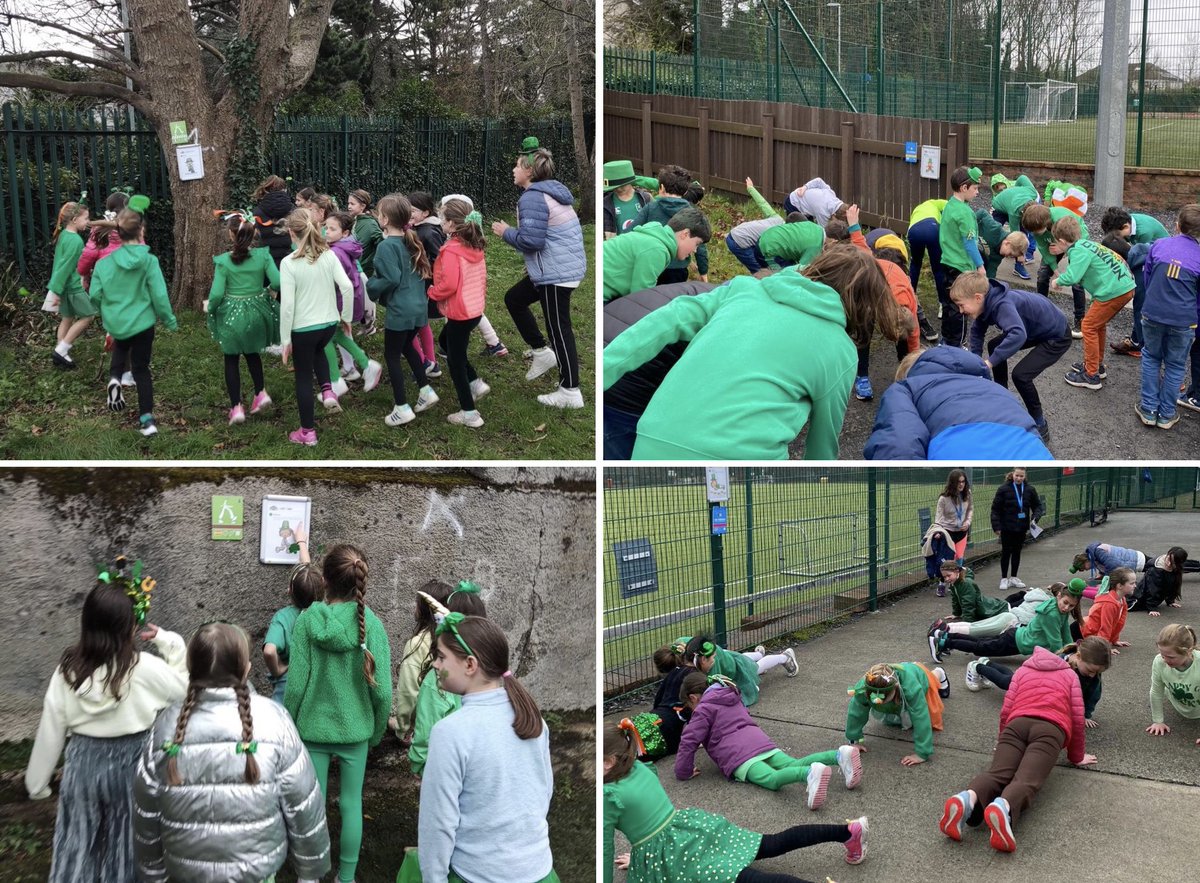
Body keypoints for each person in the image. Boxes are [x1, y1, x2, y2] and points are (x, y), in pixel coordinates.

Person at [603, 245, 902, 459]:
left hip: (654, 440)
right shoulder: (840, 351)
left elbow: (669, 318)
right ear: (864, 306)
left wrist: (605, 368)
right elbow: (822, 445)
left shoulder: (744, 288)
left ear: (816, 269)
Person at [133, 622, 331, 883]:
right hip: (257, 873)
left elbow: (146, 811)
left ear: (191, 668)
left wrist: (153, 874)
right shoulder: (274, 719)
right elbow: (303, 802)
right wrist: (310, 872)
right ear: (246, 668)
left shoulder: (165, 727)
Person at [24, 568, 187, 883]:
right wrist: (171, 644)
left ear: (87, 622)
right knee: (129, 845)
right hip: (132, 766)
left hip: (82, 765)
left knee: (78, 842)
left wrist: (37, 783)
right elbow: (184, 688)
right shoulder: (144, 669)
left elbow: (52, 725)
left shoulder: (67, 671)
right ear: (129, 626)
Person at [605, 722, 868, 883]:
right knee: (771, 843)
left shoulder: (608, 796)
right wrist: (642, 856)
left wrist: (646, 852)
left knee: (747, 879)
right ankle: (848, 831)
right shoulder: (639, 768)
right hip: (692, 829)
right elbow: (645, 815)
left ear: (611, 761)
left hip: (676, 855)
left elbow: (604, 853)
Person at [417, 615, 559, 882]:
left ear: (470, 664)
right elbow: (543, 793)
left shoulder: (450, 732)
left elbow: (437, 825)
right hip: (541, 871)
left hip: (478, 875)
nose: (435, 664)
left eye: (442, 657)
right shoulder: (532, 718)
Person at [284, 543, 393, 883]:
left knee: (309, 809)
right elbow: (384, 691)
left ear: (324, 581)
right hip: (355, 732)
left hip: (312, 731)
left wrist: (289, 725)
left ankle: (308, 875)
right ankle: (346, 878)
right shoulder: (371, 624)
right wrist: (375, 731)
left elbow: (296, 685)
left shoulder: (306, 621)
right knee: (350, 805)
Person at [938, 645, 1095, 853]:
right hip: (1050, 729)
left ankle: (967, 798)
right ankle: (1004, 807)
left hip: (1016, 724)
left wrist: (1003, 738)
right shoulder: (1070, 676)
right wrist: (1076, 756)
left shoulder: (1023, 670)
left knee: (997, 773)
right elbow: (1076, 719)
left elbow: (1006, 709)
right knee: (1026, 780)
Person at [675, 672, 862, 808]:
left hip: (738, 756)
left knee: (772, 779)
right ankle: (838, 755)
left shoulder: (703, 708)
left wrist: (684, 771)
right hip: (759, 741)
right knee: (792, 762)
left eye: (689, 705)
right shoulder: (730, 694)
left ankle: (808, 774)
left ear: (693, 698)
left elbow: (689, 741)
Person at [495, 147, 587, 409]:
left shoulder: (533, 198)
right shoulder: (550, 190)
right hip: (557, 268)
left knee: (560, 330)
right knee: (514, 298)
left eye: (516, 166)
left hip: (555, 275)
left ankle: (570, 391)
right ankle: (541, 352)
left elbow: (531, 241)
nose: (513, 170)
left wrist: (505, 232)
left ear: (528, 170)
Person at [864, 347, 1053, 460]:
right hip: (1033, 451)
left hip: (958, 444)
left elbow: (900, 444)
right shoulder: (996, 388)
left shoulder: (907, 387)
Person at [89, 199, 177, 437]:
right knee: (141, 369)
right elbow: (159, 294)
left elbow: (95, 294)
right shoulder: (149, 261)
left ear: (117, 231)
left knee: (120, 348)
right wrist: (168, 319)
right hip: (143, 322)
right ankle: (147, 420)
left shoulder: (104, 263)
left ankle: (115, 379)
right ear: (141, 231)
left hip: (117, 320)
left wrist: (106, 309)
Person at [954, 270, 1070, 442]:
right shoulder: (985, 303)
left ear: (978, 297)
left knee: (1021, 375)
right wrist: (976, 363)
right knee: (994, 345)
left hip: (1056, 335)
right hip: (1034, 328)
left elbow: (1017, 334)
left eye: (962, 305)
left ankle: (1040, 423)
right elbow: (977, 332)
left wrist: (990, 362)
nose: (960, 310)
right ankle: (1003, 398)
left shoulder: (1002, 305)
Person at [279, 208, 354, 445]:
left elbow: (287, 306)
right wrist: (346, 317)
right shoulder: (329, 255)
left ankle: (307, 432)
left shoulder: (288, 263)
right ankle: (328, 390)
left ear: (291, 233)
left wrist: (284, 340)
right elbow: (348, 287)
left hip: (303, 329)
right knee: (319, 350)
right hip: (328, 325)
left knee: (302, 377)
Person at [368, 193, 440, 427]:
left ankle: (401, 407)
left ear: (386, 219)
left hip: (400, 311)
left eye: (379, 214)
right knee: (408, 346)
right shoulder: (412, 240)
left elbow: (390, 278)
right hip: (418, 308)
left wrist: (370, 285)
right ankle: (426, 390)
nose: (378, 217)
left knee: (392, 356)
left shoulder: (386, 246)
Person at [204, 213, 282, 425]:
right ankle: (260, 393)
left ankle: (236, 407)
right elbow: (276, 281)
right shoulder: (263, 256)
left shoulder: (224, 262)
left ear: (231, 234)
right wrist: (266, 290)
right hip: (257, 310)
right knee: (252, 352)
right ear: (253, 232)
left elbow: (218, 293)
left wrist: (210, 307)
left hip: (232, 314)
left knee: (231, 358)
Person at [408, 581, 487, 776]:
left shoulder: (437, 680)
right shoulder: (493, 673)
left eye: (441, 657)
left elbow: (423, 740)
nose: (437, 664)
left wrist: (421, 767)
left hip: (444, 773)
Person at [1051, 215, 1136, 391]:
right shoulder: (1087, 244)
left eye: (1055, 244)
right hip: (1122, 287)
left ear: (1061, 241)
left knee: (1088, 326)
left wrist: (1057, 281)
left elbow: (1073, 276)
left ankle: (1091, 375)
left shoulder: (1077, 250)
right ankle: (1097, 365)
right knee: (1097, 325)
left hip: (1113, 291)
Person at [428, 198, 492, 428]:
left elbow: (450, 284)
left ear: (452, 225)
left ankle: (470, 413)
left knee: (455, 361)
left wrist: (433, 292)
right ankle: (475, 382)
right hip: (474, 309)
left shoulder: (451, 251)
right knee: (445, 340)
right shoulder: (473, 245)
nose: (440, 222)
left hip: (460, 311)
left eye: (442, 218)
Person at [845, 204, 919, 401]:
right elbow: (862, 249)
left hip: (894, 293)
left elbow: (914, 338)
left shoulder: (908, 302)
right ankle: (861, 377)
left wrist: (913, 368)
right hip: (871, 292)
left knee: (906, 343)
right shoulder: (873, 278)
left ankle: (903, 377)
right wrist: (853, 225)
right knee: (863, 330)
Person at [1135, 206, 1200, 429]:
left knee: (1151, 357)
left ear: (1178, 225)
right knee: (1176, 364)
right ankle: (1167, 414)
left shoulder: (1159, 245)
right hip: (1183, 319)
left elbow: (1147, 276)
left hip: (1153, 312)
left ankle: (1149, 408)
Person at [931, 578, 1083, 664]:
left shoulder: (1058, 610)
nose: (1066, 607)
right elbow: (1055, 641)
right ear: (1058, 596)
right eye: (1065, 602)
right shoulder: (1052, 614)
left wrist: (1072, 650)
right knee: (979, 647)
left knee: (981, 641)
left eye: (1071, 606)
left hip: (1015, 635)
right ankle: (944, 641)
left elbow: (1065, 633)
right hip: (1015, 641)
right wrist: (1066, 660)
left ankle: (946, 637)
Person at [324, 211, 383, 395]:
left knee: (327, 336)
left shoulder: (335, 252)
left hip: (339, 300)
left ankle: (342, 375)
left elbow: (335, 280)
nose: (326, 231)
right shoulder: (345, 246)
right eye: (326, 227)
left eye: (332, 229)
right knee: (337, 335)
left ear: (345, 233)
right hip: (346, 298)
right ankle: (360, 366)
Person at [845, 661, 947, 766]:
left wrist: (922, 753)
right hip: (899, 675)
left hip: (918, 673)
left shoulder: (911, 688)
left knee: (931, 680)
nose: (878, 701)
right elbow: (855, 714)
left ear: (896, 688)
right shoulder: (863, 688)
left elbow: (920, 716)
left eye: (884, 699)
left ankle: (939, 672)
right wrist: (854, 740)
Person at [263, 523, 323, 703]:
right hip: (313, 691)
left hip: (285, 692)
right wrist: (301, 541)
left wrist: (278, 670)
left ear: (289, 591)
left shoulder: (282, 618)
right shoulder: (323, 613)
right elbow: (308, 578)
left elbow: (269, 651)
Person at [1101, 206, 1170, 357]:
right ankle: (1136, 339)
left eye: (1119, 236)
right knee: (1140, 301)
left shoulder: (1144, 233)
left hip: (1158, 263)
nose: (1120, 239)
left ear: (1126, 226)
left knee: (1142, 301)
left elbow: (1141, 256)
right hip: (1148, 260)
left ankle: (1142, 344)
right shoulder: (1126, 222)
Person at [603, 209, 711, 302]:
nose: (695, 250)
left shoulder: (655, 238)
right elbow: (640, 299)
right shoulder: (657, 250)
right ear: (685, 234)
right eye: (696, 244)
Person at [393, 580, 454, 744]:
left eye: (417, 603)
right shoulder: (458, 641)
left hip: (425, 729)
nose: (414, 608)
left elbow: (408, 691)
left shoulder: (417, 645)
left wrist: (402, 727)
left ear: (425, 609)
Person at [630, 163, 709, 284]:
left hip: (652, 264)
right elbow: (700, 246)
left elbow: (631, 232)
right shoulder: (692, 213)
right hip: (678, 269)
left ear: (661, 187)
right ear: (686, 190)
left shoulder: (650, 208)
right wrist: (703, 271)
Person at [1020, 202, 1088, 338]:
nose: (1034, 234)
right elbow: (1045, 251)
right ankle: (1041, 313)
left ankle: (1080, 321)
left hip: (1075, 243)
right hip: (1055, 246)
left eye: (1036, 231)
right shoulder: (1036, 225)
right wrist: (1058, 275)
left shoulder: (1062, 217)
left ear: (1045, 223)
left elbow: (1082, 241)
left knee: (1077, 282)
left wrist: (1064, 249)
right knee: (1043, 275)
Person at [937, 166, 985, 347]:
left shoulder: (950, 205)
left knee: (950, 303)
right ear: (964, 188)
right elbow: (969, 243)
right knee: (961, 307)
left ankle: (946, 340)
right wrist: (980, 265)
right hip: (962, 267)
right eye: (975, 188)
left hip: (947, 262)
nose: (978, 192)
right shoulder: (965, 213)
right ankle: (958, 344)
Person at [46, 201, 96, 370]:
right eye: (86, 218)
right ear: (74, 219)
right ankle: (62, 349)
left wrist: (57, 289)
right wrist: (57, 291)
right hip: (72, 287)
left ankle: (60, 354)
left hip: (63, 287)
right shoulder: (75, 241)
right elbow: (66, 267)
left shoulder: (63, 236)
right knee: (88, 315)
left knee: (67, 318)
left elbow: (59, 265)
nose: (88, 222)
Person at [684, 635, 798, 707]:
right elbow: (682, 640)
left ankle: (785, 657)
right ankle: (759, 654)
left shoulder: (712, 666)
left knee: (756, 668)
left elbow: (715, 690)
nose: (713, 659)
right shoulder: (701, 652)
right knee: (744, 658)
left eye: (714, 657)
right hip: (730, 658)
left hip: (738, 670)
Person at [408, 190, 448, 377]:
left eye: (413, 210)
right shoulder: (419, 228)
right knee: (420, 322)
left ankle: (427, 362)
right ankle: (430, 362)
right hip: (419, 282)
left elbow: (438, 259)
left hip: (423, 283)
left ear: (425, 213)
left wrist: (425, 273)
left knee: (415, 323)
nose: (410, 214)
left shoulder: (428, 232)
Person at [1145, 624, 1200, 742]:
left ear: (1189, 651)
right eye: (1162, 655)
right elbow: (1156, 691)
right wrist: (1158, 721)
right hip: (1177, 702)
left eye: (1170, 657)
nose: (1165, 660)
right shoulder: (1159, 661)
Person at [990, 467, 1043, 590]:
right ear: (1012, 474)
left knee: (1017, 552)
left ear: (1025, 476)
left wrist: (1035, 518)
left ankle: (1014, 577)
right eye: (1017, 475)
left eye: (1021, 476)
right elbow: (995, 509)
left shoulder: (1030, 490)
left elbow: (1037, 506)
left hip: (1022, 527)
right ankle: (1004, 578)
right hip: (1006, 527)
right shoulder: (1003, 489)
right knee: (1006, 552)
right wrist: (996, 526)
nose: (1019, 478)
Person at [907, 197, 949, 340]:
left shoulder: (919, 208)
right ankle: (942, 304)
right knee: (937, 268)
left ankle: (909, 299)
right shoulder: (939, 205)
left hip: (914, 230)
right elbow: (951, 208)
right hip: (932, 228)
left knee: (915, 265)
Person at [724, 176, 786, 272]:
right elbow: (770, 256)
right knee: (761, 272)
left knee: (765, 266)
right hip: (739, 241)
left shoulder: (779, 219)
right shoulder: (778, 237)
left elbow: (763, 204)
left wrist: (751, 188)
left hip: (738, 231)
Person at [1080, 566, 1136, 649]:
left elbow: (1119, 623)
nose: (1135, 585)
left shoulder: (1122, 599)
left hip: (1092, 632)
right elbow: (1105, 627)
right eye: (1131, 583)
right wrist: (1104, 648)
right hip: (1082, 631)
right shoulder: (1109, 604)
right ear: (1120, 586)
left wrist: (1114, 640)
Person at [252, 175, 296, 268]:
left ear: (266, 189)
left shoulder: (257, 211)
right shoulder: (293, 210)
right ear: (284, 190)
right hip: (290, 259)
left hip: (266, 261)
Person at [1129, 546, 1188, 614]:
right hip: (1139, 599)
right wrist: (1151, 608)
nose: (1168, 563)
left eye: (1172, 562)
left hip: (1153, 600)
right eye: (1168, 558)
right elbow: (1152, 589)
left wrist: (1170, 601)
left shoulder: (1176, 568)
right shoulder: (1155, 570)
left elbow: (1173, 585)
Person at [602, 159, 654, 238]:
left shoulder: (646, 198)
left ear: (631, 181)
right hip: (619, 246)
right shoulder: (606, 203)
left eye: (623, 185)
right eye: (615, 187)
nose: (619, 189)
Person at [937, 470, 973, 564]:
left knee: (959, 558)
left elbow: (970, 509)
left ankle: (958, 578)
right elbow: (938, 518)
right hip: (948, 532)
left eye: (963, 481)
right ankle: (947, 578)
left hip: (962, 532)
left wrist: (967, 522)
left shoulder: (967, 494)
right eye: (958, 482)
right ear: (953, 483)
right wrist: (937, 531)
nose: (961, 484)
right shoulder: (943, 498)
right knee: (950, 560)